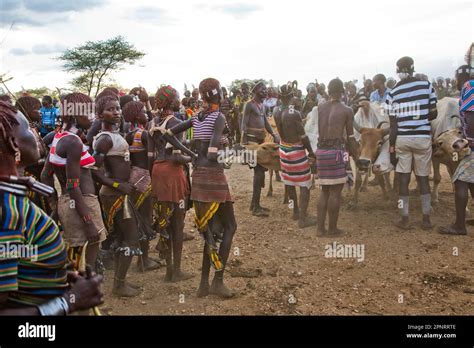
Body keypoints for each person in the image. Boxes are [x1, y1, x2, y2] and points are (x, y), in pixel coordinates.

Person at [0, 100, 103, 315]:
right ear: (13, 144)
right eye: (28, 128)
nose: (35, 132)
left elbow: (18, 261)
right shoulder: (7, 209)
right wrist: (68, 302)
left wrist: (54, 274)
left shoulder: (12, 196)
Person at [165, 78, 237, 298]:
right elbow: (214, 153)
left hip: (198, 177)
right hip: (214, 178)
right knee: (230, 227)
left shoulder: (197, 117)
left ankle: (204, 284)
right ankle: (218, 280)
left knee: (211, 231)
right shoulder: (218, 117)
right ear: (218, 95)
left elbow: (168, 134)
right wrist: (227, 158)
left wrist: (193, 155)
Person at [48, 92, 106, 274]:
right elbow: (74, 185)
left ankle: (79, 295)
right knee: (82, 260)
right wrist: (88, 221)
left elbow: (45, 174)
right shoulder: (73, 142)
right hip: (82, 204)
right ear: (74, 114)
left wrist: (56, 205)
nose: (92, 117)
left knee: (75, 258)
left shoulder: (59, 137)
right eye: (88, 112)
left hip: (71, 203)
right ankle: (80, 296)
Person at [92, 94, 142, 297]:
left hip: (119, 192)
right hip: (114, 194)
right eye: (110, 109)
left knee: (124, 236)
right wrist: (117, 185)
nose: (116, 112)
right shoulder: (104, 139)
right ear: (99, 114)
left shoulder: (113, 135)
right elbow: (93, 169)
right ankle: (119, 285)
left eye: (117, 109)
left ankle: (120, 283)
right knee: (131, 237)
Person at [387, 56, 438, 230]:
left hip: (402, 138)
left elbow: (393, 125)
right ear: (413, 68)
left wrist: (392, 149)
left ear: (397, 70)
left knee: (403, 180)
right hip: (423, 138)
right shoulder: (427, 86)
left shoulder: (392, 92)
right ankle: (426, 219)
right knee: (423, 179)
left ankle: (404, 218)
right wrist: (420, 116)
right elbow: (434, 114)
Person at [148, 85, 193, 282]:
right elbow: (176, 156)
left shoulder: (152, 122)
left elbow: (150, 155)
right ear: (172, 101)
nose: (179, 98)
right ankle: (175, 271)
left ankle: (169, 269)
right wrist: (193, 157)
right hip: (173, 173)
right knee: (177, 222)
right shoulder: (176, 121)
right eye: (177, 96)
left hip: (157, 171)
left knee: (163, 218)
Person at [316, 78, 359, 236]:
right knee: (335, 192)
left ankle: (320, 229)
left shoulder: (320, 108)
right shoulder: (347, 110)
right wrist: (357, 156)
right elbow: (351, 137)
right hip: (336, 153)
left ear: (328, 91)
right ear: (342, 92)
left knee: (324, 191)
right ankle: (332, 229)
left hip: (321, 151)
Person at [273, 82, 317, 228]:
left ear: (279, 96)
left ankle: (295, 211)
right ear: (292, 96)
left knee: (290, 181)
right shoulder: (294, 113)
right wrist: (310, 152)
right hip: (296, 150)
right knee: (305, 184)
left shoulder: (276, 111)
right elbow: (303, 136)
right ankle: (303, 219)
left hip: (283, 148)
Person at [123, 100, 160, 272]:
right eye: (144, 111)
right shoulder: (144, 135)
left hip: (133, 178)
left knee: (138, 218)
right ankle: (143, 260)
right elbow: (152, 159)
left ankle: (141, 258)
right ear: (137, 115)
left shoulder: (128, 135)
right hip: (145, 178)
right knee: (145, 219)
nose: (147, 114)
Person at [439, 65, 473, 235]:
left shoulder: (469, 87)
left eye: (455, 78)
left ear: (461, 77)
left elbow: (471, 116)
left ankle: (459, 226)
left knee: (459, 180)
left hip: (471, 146)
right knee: (472, 181)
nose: (455, 81)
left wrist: (467, 141)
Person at [241, 81, 280, 217]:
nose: (265, 92)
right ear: (256, 91)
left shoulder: (262, 106)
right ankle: (255, 207)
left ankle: (254, 204)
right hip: (252, 142)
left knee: (261, 171)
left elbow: (266, 123)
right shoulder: (249, 105)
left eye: (266, 90)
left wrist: (274, 134)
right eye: (262, 90)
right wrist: (244, 141)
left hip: (261, 140)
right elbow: (244, 123)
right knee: (259, 172)